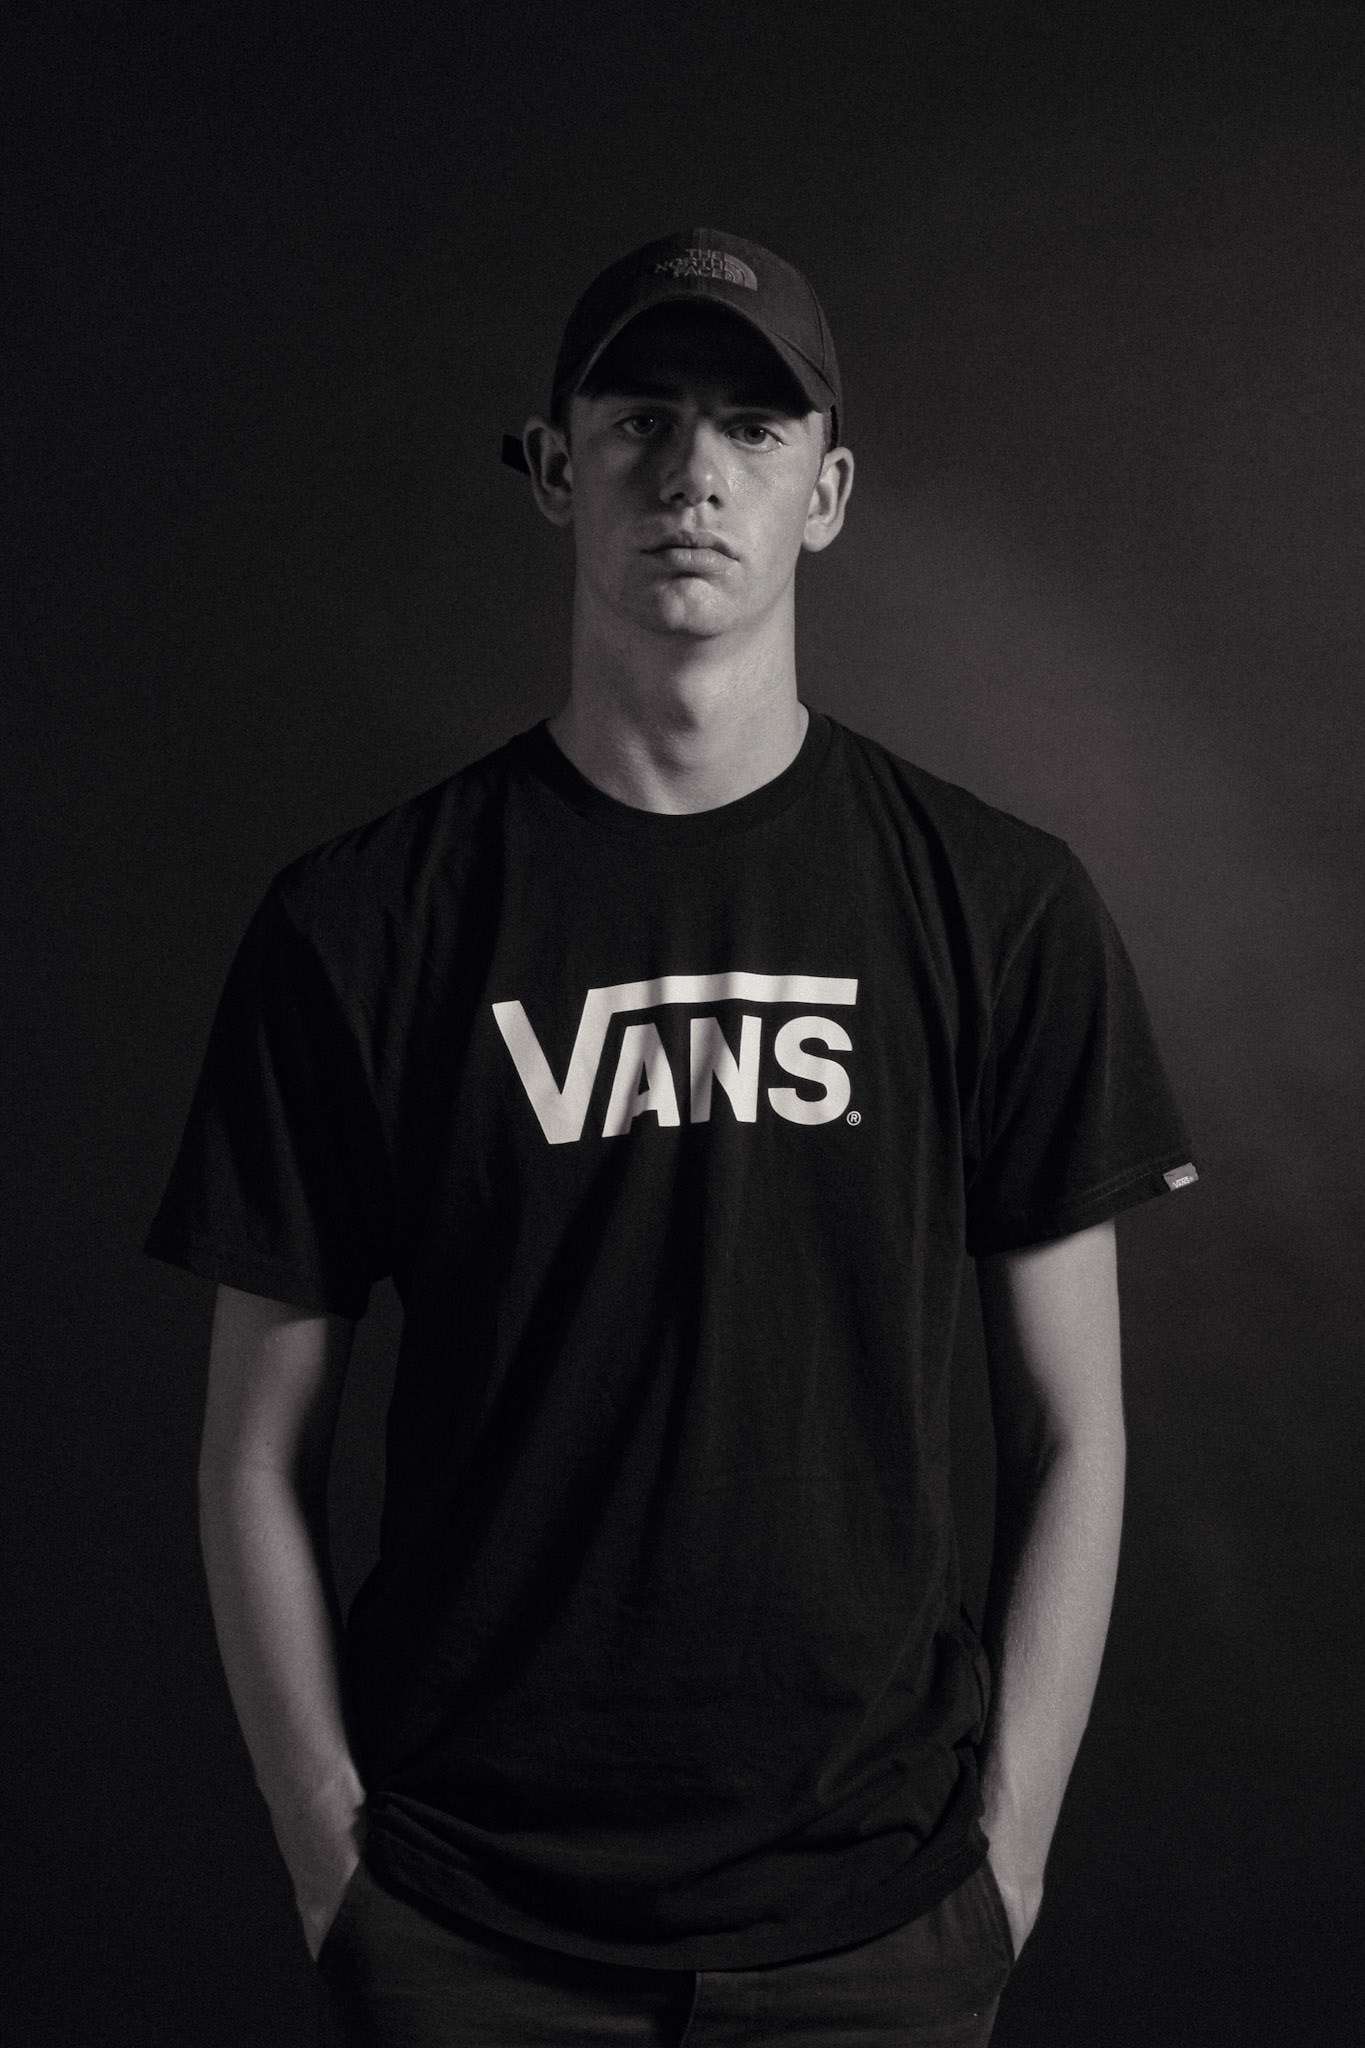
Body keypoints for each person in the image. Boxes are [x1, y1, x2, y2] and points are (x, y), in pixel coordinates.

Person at [147, 228, 1198, 2045]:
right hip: (468, 1924)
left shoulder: (999, 905)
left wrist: (1005, 1864)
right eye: (640, 418)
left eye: (753, 429)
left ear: (827, 493)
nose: (693, 472)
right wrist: (334, 1866)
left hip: (880, 1918)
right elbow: (253, 1449)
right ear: (554, 470)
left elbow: (1074, 1426)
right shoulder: (363, 923)